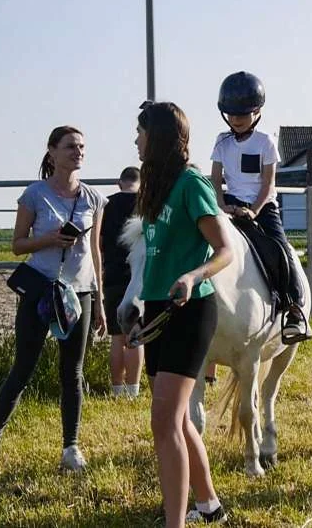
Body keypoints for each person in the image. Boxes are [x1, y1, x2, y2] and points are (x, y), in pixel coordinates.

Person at [0, 126, 107, 473]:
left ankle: (71, 448)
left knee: (73, 372)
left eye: (81, 146)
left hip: (79, 293)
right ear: (51, 152)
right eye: (70, 146)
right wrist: (48, 239)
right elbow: (18, 244)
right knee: (24, 367)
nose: (77, 151)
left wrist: (101, 301)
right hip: (41, 291)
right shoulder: (34, 195)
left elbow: (96, 253)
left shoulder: (94, 198)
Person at [135, 102, 232, 526]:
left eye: (140, 132)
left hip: (191, 307)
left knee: (164, 422)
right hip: (159, 308)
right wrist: (140, 305)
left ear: (156, 137)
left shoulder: (192, 183)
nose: (135, 140)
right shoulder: (153, 187)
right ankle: (209, 506)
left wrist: (193, 276)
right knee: (175, 419)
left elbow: (224, 250)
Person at [210, 71, 309, 346]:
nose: (236, 119)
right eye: (231, 114)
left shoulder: (266, 142)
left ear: (257, 111)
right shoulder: (221, 141)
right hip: (230, 206)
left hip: (263, 207)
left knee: (280, 248)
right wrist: (221, 205)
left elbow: (268, 184)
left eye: (243, 114)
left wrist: (254, 210)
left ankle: (294, 309)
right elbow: (216, 179)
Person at [101, 166, 142, 398]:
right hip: (138, 275)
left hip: (113, 275)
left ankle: (116, 389)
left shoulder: (107, 204)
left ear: (119, 183)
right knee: (136, 333)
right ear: (141, 182)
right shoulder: (146, 203)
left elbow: (99, 240)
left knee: (116, 336)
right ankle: (133, 391)